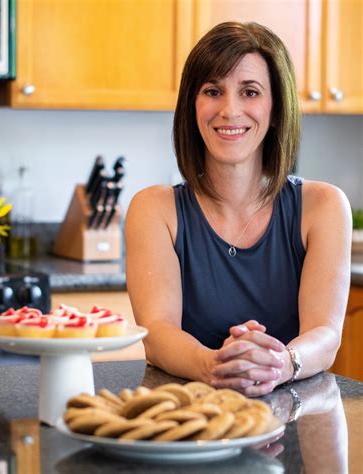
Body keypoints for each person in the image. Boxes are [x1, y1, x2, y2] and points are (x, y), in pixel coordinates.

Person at [125, 22, 352, 396]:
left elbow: (324, 336)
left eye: (250, 92)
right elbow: (158, 334)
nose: (230, 110)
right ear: (192, 106)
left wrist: (279, 364)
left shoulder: (324, 207)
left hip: (294, 416)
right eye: (213, 91)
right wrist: (216, 366)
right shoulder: (154, 209)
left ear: (276, 107)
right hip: (186, 423)